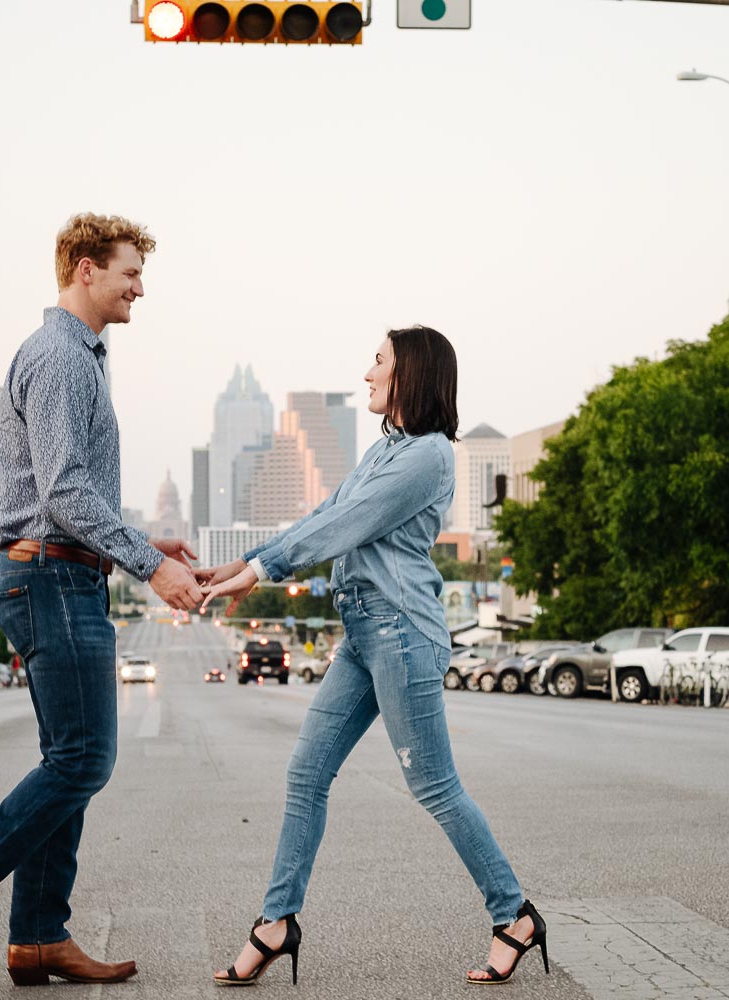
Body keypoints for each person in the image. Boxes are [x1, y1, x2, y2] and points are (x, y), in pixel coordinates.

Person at [0, 213, 203, 990]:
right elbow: (63, 490)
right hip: (51, 578)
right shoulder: (62, 357)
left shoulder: (79, 355)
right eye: (131, 273)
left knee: (67, 760)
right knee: (83, 760)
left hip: (65, 570)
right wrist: (144, 565)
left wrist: (132, 544)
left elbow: (69, 491)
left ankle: (37, 937)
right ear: (86, 269)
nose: (140, 289)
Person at [197, 326, 548, 987]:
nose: (367, 373)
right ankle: (277, 923)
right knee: (306, 774)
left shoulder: (428, 457)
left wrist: (261, 571)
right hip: (363, 634)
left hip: (403, 634)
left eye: (378, 361)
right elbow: (324, 511)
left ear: (409, 375)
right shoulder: (385, 451)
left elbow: (342, 529)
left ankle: (515, 915)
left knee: (434, 786)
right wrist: (241, 564)